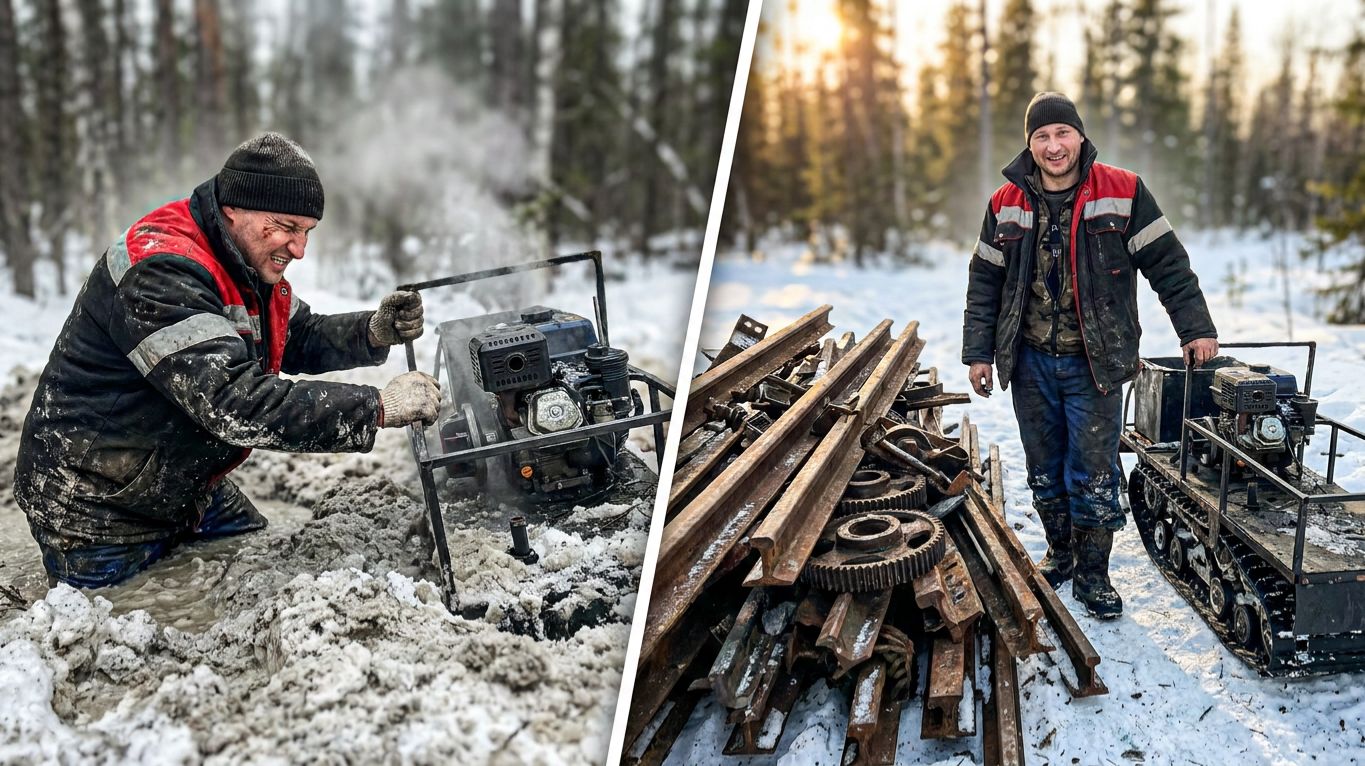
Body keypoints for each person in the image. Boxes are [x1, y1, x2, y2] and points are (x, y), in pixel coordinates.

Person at [14, 132, 443, 588]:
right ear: (234, 208)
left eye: (306, 232)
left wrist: (369, 331)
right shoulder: (162, 269)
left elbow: (294, 334)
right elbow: (234, 402)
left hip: (177, 480)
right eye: (286, 227)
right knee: (134, 621)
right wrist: (378, 407)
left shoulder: (242, 259)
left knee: (255, 554)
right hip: (97, 502)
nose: (298, 249)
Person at [962, 92, 1218, 619]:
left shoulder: (1123, 191)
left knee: (1094, 467)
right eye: (1041, 136)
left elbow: (1168, 264)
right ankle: (1061, 551)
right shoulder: (1004, 202)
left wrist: (1194, 328)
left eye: (1062, 133)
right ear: (1029, 144)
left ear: (1080, 136)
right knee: (1044, 466)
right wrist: (978, 352)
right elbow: (984, 282)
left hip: (1094, 362)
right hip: (1029, 359)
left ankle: (1095, 574)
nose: (1053, 146)